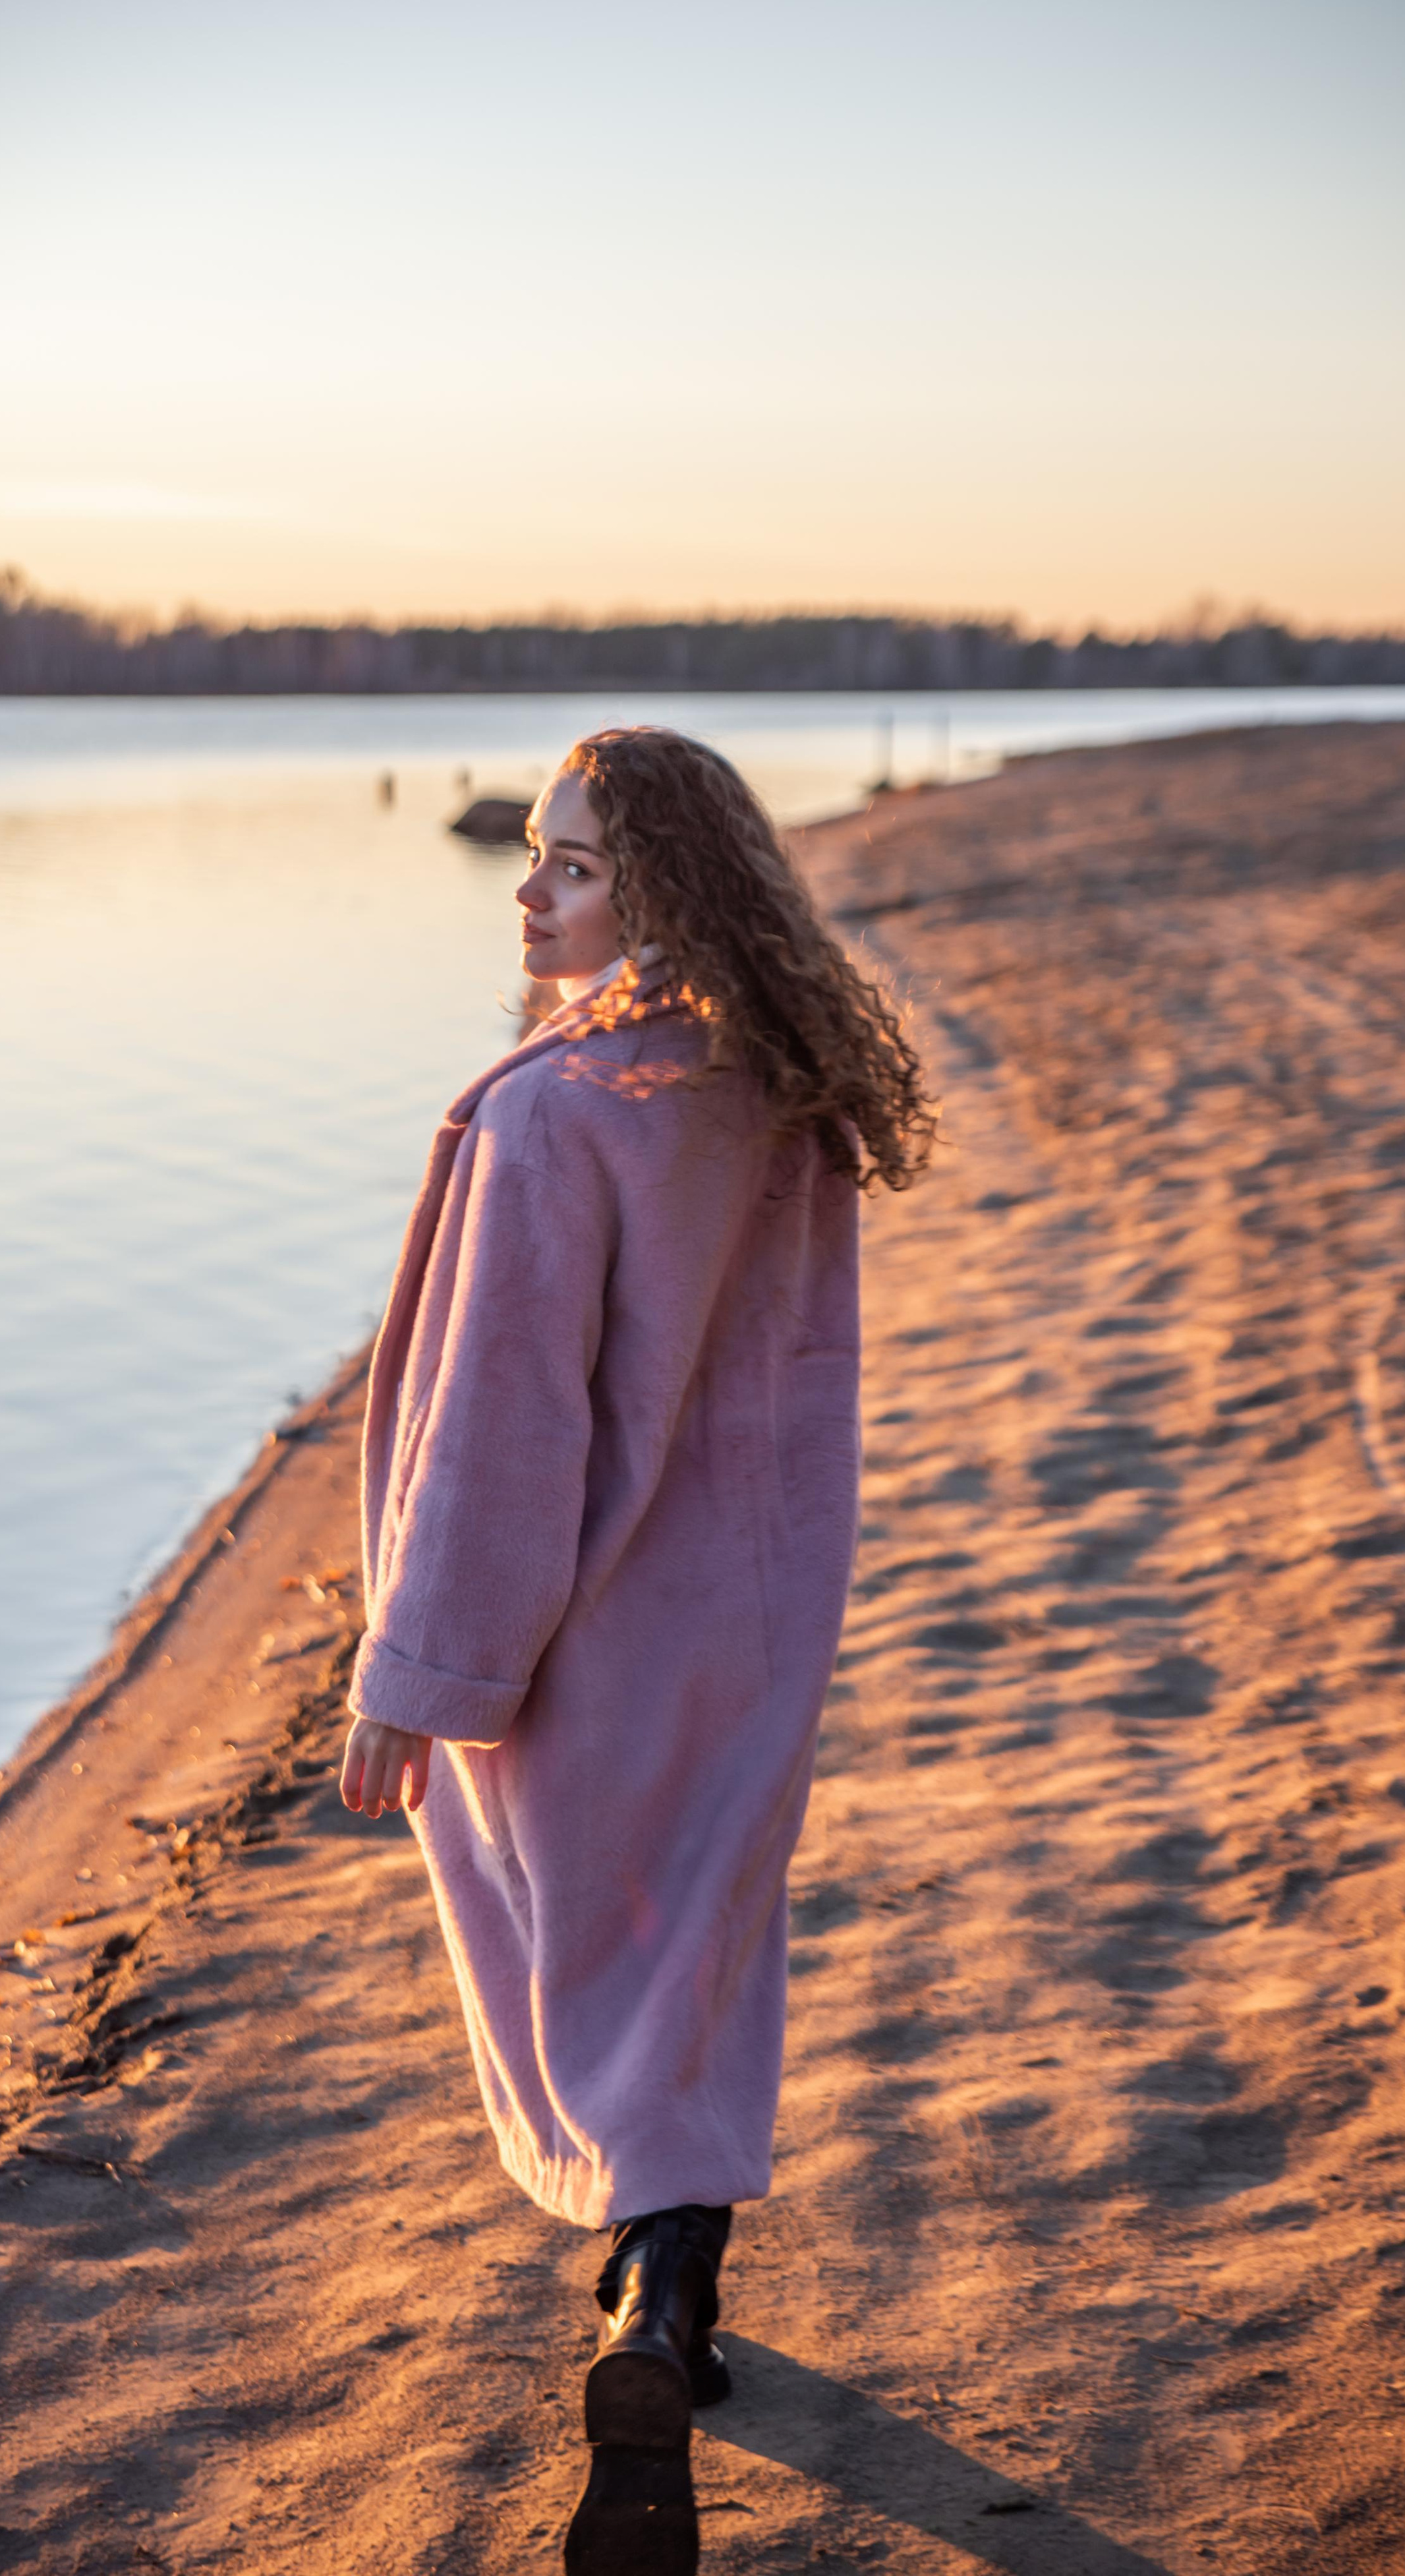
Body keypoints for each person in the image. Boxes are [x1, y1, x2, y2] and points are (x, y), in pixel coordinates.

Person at [339, 726, 933, 2571]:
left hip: (580, 1628)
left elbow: (501, 1436)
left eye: (576, 864)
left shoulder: (548, 1114)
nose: (530, 890)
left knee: (579, 1969)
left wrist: (416, 1677)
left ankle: (654, 2305)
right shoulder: (781, 1082)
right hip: (757, 1614)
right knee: (692, 1959)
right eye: (534, 853)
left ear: (663, 891)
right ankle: (670, 2304)